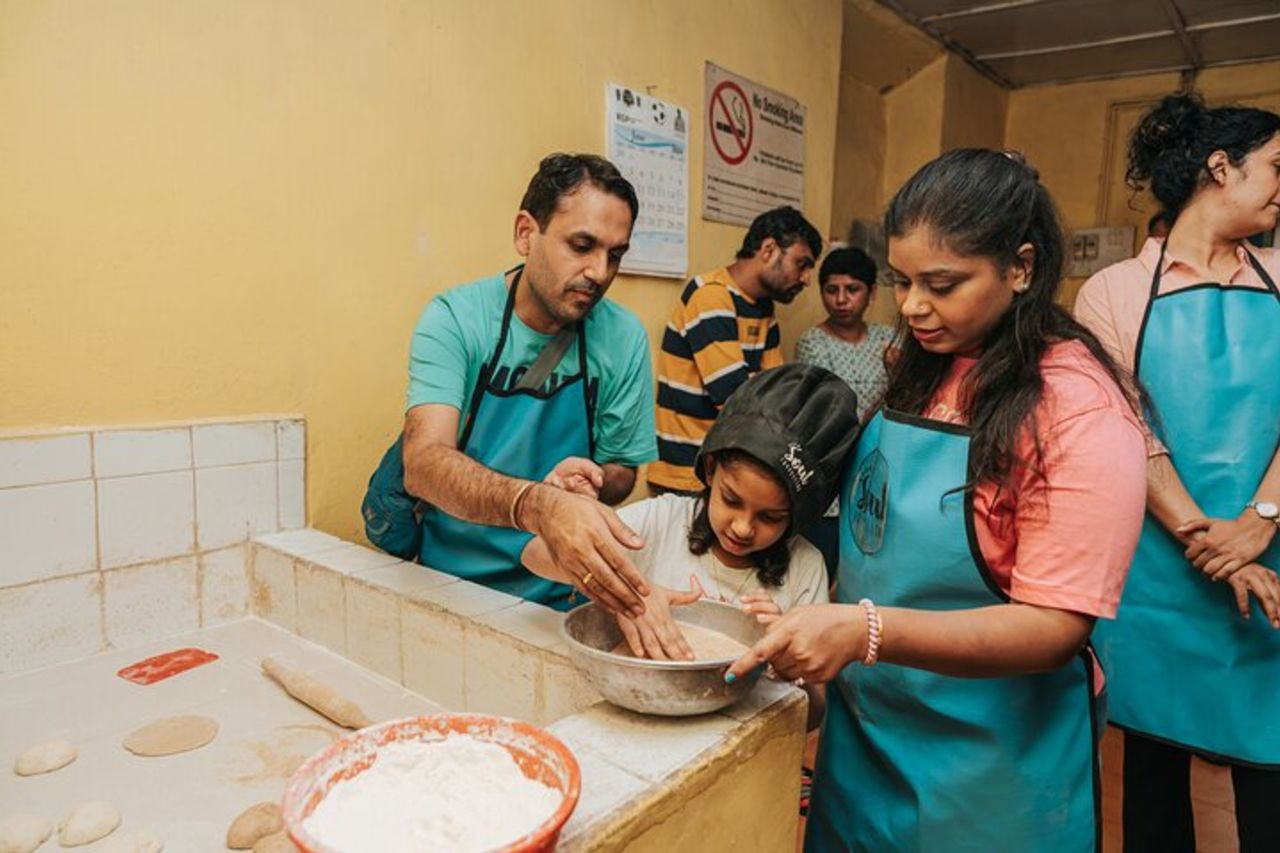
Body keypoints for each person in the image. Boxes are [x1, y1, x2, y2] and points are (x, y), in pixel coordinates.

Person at [727, 149, 1150, 852]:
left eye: (943, 283)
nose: (915, 305)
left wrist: (862, 631)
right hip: (866, 744)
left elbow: (1055, 627)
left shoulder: (1079, 410)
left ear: (1020, 266)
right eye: (903, 281)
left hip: (986, 773)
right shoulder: (921, 368)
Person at [1074, 93, 1280, 853]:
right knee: (1154, 804)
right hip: (1165, 580)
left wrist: (1258, 522)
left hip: (1271, 565)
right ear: (1220, 167)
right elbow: (1133, 435)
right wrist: (1212, 541)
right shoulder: (1117, 292)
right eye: (1276, 166)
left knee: (1271, 785)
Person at [365, 153, 657, 614]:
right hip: (446, 584)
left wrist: (589, 484)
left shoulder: (623, 338)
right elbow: (423, 463)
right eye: (582, 246)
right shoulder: (457, 320)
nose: (600, 273)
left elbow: (622, 469)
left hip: (556, 592)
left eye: (615, 255)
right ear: (527, 233)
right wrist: (536, 504)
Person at [647, 206, 822, 495]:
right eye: (801, 264)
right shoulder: (711, 295)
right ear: (768, 249)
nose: (806, 279)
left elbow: (777, 396)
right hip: (688, 472)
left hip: (726, 467)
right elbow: (734, 398)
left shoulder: (763, 308)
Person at [794, 246, 894, 419]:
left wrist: (897, 372)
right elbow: (820, 406)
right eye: (832, 290)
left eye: (852, 289)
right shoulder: (812, 342)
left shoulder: (888, 338)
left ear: (872, 292)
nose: (841, 300)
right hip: (835, 441)